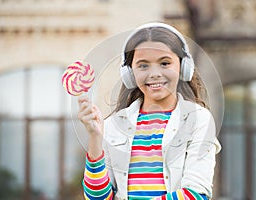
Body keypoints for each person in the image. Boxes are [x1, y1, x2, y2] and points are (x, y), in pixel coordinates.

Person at [78, 22, 221, 200]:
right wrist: (95, 137)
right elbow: (97, 198)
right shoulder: (113, 125)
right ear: (129, 73)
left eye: (165, 63)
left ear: (183, 67)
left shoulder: (199, 120)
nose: (154, 73)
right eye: (143, 65)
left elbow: (196, 194)